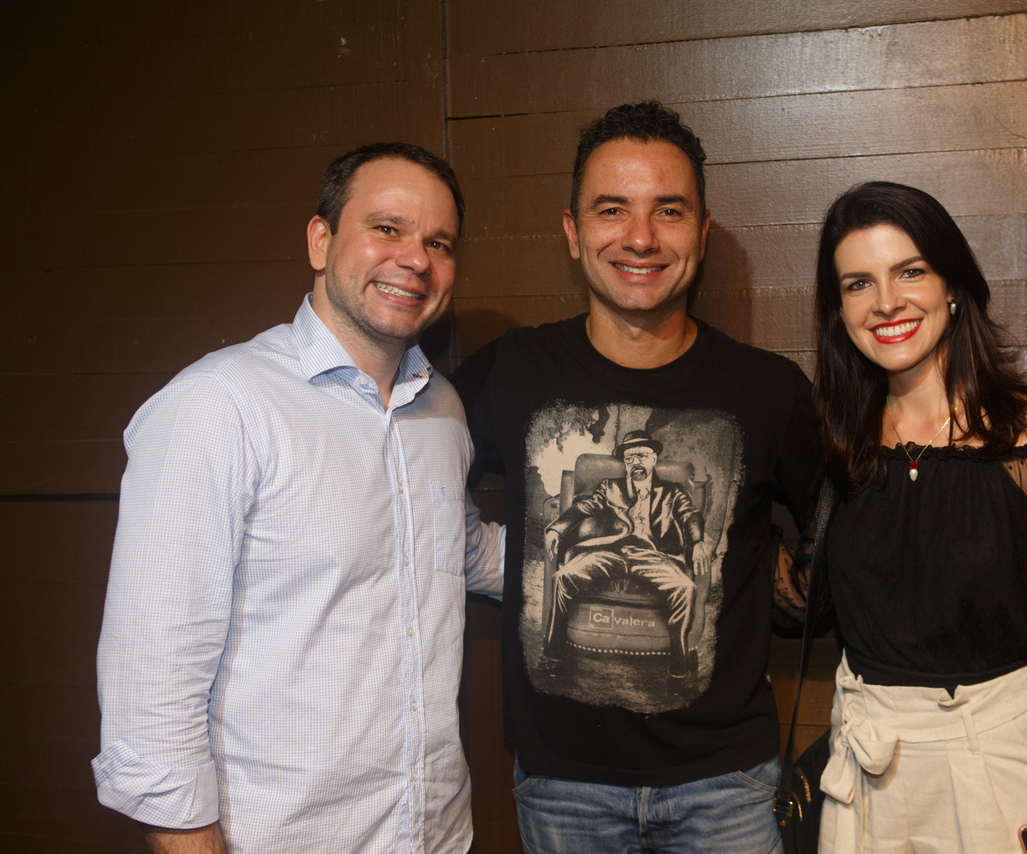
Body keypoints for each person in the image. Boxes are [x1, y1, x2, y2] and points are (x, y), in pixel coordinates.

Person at [93, 143, 504, 853]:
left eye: (439, 242)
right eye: (387, 228)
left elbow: (457, 550)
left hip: (437, 835)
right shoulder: (218, 407)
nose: (415, 259)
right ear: (321, 241)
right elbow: (152, 691)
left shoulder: (443, 409)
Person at [451, 101, 822, 852]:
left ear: (702, 231)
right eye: (612, 209)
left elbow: (855, 524)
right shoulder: (509, 373)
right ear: (572, 231)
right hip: (562, 786)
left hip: (727, 785)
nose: (641, 237)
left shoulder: (769, 392)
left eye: (669, 211)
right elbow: (396, 464)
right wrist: (530, 552)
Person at [799, 181, 1027, 853]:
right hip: (866, 781)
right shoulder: (837, 447)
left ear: (954, 285)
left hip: (998, 770)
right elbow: (798, 600)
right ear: (838, 309)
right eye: (857, 283)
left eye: (911, 271)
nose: (886, 303)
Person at [543, 429, 711, 693]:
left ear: (654, 459)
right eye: (630, 458)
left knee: (686, 588)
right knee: (562, 578)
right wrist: (556, 528)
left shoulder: (672, 491)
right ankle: (552, 657)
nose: (637, 463)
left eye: (642, 456)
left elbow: (690, 515)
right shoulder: (610, 487)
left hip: (653, 557)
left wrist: (698, 541)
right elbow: (585, 506)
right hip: (612, 552)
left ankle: (678, 671)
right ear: (625, 463)